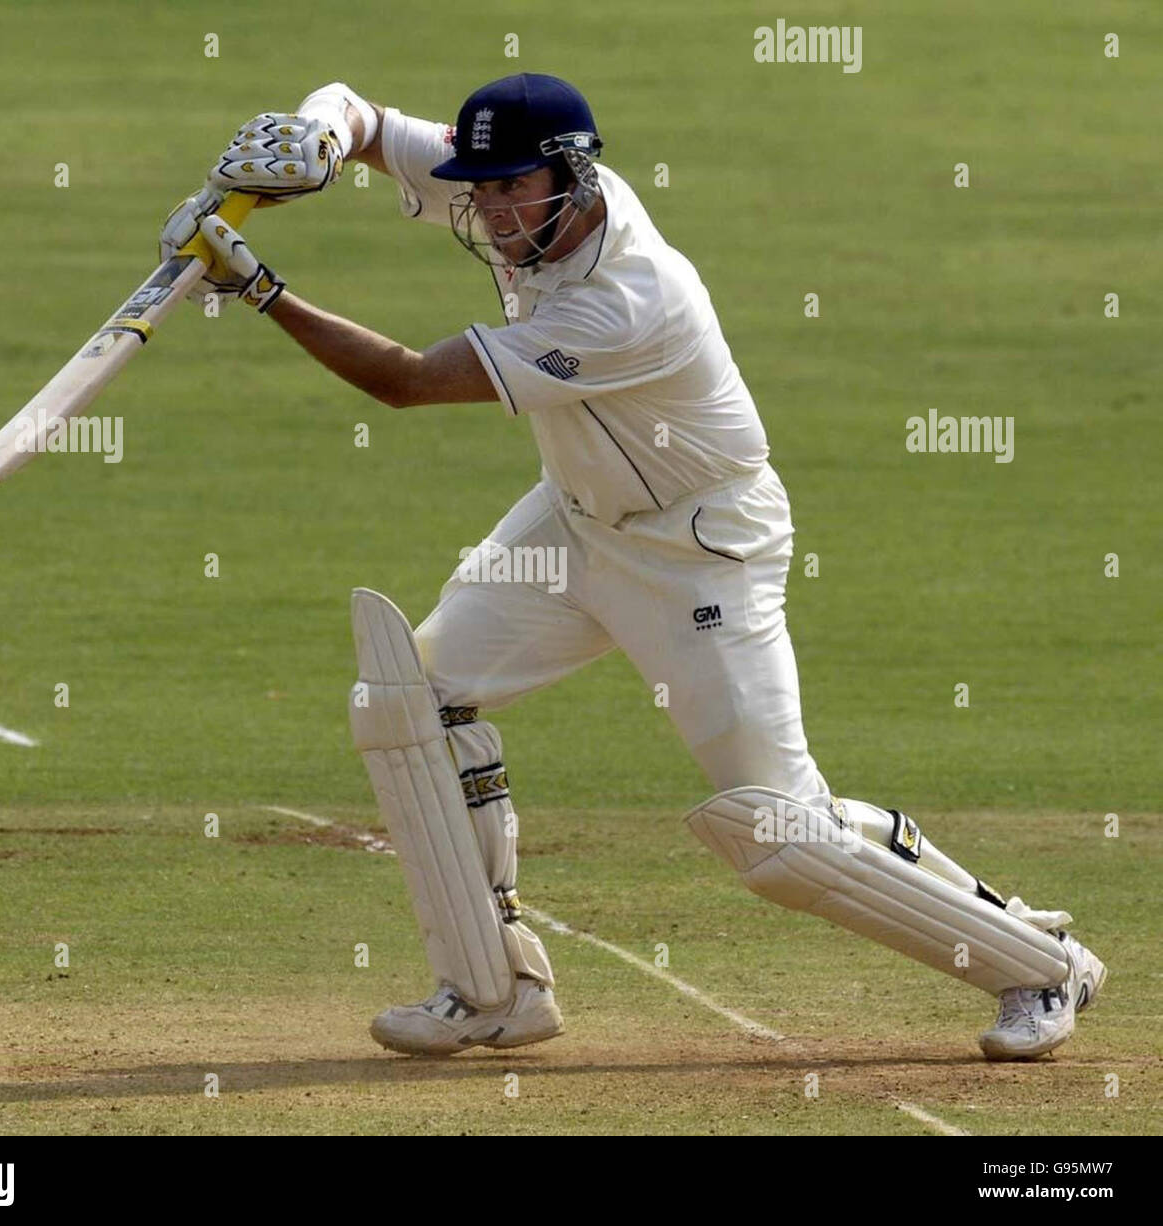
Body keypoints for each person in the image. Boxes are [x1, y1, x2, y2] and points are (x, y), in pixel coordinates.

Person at [160, 74, 1106, 1061]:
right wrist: (312, 141)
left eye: (504, 191)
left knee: (779, 837)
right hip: (576, 524)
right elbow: (355, 110)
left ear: (568, 178)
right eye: (474, 189)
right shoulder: (517, 191)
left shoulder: (625, 300)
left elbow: (403, 381)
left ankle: (1037, 962)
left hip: (697, 552)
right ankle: (493, 989)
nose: (482, 210)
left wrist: (256, 287)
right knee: (410, 698)